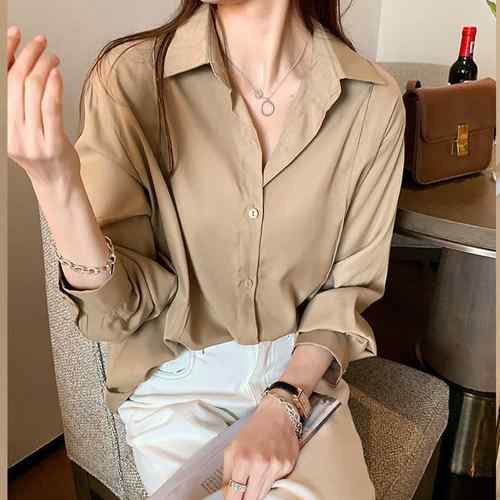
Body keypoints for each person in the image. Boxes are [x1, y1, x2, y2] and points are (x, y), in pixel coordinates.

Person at [7, 0, 406, 498]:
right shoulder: (130, 78)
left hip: (300, 373)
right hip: (178, 381)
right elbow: (117, 314)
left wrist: (287, 400)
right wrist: (56, 186)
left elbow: (346, 291)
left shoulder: (372, 101)